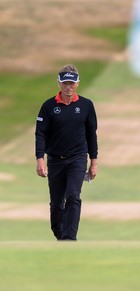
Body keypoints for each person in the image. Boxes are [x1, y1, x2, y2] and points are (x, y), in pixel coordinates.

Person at [35, 64, 98, 241]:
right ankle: (60, 234)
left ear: (77, 83)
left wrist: (94, 161)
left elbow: (91, 135)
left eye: (72, 83)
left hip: (77, 159)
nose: (68, 87)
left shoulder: (86, 105)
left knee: (73, 196)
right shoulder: (48, 106)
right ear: (59, 83)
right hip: (55, 159)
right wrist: (40, 159)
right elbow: (40, 133)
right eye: (65, 83)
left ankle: (70, 238)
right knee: (56, 204)